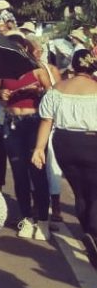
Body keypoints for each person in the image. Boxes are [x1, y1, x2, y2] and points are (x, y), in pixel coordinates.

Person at [33, 48, 97, 250]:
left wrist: (39, 148)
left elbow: (46, 120)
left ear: (73, 65)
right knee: (95, 192)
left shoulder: (58, 89)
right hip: (91, 141)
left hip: (64, 142)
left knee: (80, 191)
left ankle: (88, 232)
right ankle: (93, 233)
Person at [0, 43, 54, 239]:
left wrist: (39, 91)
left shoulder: (37, 70)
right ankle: (27, 217)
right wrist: (2, 95)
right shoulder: (3, 71)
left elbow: (52, 94)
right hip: (11, 123)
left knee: (37, 171)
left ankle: (43, 221)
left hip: (33, 122)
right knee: (19, 172)